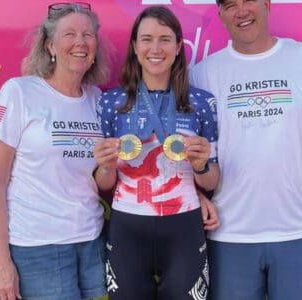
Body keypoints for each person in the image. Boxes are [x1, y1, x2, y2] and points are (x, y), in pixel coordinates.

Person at [190, 0, 302, 299]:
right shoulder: (203, 74)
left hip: (299, 232)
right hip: (229, 234)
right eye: (230, 5)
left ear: (266, 4)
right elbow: (190, 150)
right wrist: (196, 196)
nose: (241, 11)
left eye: (249, 1)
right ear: (221, 14)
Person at [0, 3, 111, 300]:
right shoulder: (20, 92)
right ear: (50, 45)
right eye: (70, 34)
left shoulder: (97, 100)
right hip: (37, 250)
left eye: (87, 35)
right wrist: (1, 263)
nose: (80, 43)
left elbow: (100, 181)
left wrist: (108, 166)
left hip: (92, 244)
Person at [92, 6, 220, 300]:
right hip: (128, 227)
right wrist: (107, 166)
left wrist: (201, 166)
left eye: (165, 39)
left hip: (184, 227)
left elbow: (212, 180)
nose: (156, 48)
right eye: (147, 39)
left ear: (178, 47)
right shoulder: (111, 103)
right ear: (135, 47)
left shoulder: (201, 103)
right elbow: (103, 185)